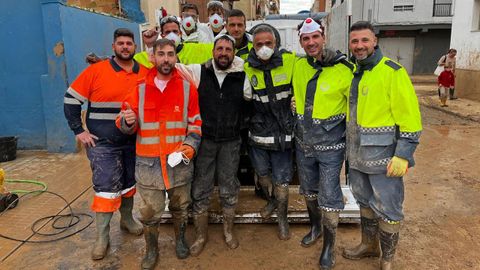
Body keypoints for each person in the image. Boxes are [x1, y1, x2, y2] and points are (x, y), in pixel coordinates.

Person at [342, 21, 422, 270]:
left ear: (374, 41)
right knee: (364, 201)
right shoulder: (354, 71)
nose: (359, 46)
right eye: (354, 41)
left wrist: (404, 154)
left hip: (384, 158)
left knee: (389, 207)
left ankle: (387, 258)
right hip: (356, 157)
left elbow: (410, 119)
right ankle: (369, 245)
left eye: (364, 40)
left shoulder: (392, 72)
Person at [116, 38, 202, 269]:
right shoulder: (140, 88)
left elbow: (195, 124)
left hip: (179, 163)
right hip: (149, 165)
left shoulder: (187, 89)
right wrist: (127, 121)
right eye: (161, 54)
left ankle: (181, 240)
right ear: (153, 57)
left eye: (170, 54)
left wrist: (189, 148)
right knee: (149, 211)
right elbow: (124, 121)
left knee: (180, 207)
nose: (166, 59)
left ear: (176, 57)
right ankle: (151, 249)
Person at [63, 28, 148, 260]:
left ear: (135, 47)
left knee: (129, 183)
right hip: (103, 144)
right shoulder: (96, 71)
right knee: (106, 189)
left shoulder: (146, 74)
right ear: (113, 47)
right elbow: (71, 100)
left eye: (129, 43)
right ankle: (102, 236)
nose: (124, 47)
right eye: (120, 43)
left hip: (134, 142)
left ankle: (127, 220)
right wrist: (78, 131)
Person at [176, 34, 252, 256]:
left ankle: (228, 231)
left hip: (231, 142)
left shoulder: (242, 76)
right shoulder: (199, 72)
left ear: (234, 53)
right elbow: (170, 64)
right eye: (220, 49)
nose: (224, 53)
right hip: (205, 141)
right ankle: (201, 235)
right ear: (213, 52)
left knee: (229, 186)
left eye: (228, 49)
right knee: (201, 186)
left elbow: (253, 100)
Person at [292, 18, 353, 270]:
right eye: (306, 38)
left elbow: (354, 110)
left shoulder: (344, 69)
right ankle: (315, 226)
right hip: (303, 142)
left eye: (315, 37)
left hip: (331, 146)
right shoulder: (297, 65)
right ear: (301, 42)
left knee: (329, 195)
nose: (311, 42)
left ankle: (329, 245)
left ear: (323, 37)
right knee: (308, 190)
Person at [244, 24, 296, 240]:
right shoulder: (247, 66)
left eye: (268, 43)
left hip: (283, 133)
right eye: (259, 44)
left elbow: (314, 66)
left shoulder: (291, 61)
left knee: (282, 181)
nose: (264, 48)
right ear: (253, 46)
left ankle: (282, 219)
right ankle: (272, 200)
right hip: (259, 134)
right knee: (263, 176)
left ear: (276, 43)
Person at [134, 16, 214, 68]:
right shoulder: (149, 56)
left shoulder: (196, 49)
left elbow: (221, 48)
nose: (172, 35)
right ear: (162, 35)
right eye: (168, 32)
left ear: (180, 33)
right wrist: (151, 45)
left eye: (175, 31)